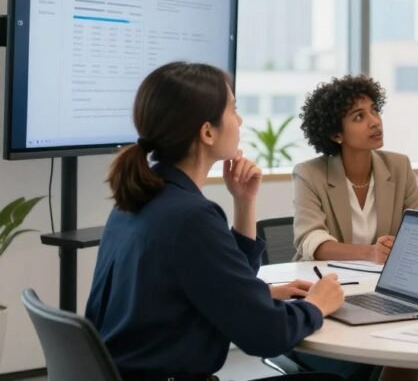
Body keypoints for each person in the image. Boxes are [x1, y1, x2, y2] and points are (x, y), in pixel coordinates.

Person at [85, 62, 345, 381]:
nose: (240, 120)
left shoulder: (140, 197)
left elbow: (221, 281)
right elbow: (267, 335)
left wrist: (244, 202)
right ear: (207, 131)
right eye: (233, 109)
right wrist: (317, 305)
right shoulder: (190, 217)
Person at [291, 75, 418, 381]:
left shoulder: (398, 166)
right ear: (336, 134)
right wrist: (371, 253)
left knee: (410, 343)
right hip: (328, 298)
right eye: (359, 117)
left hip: (385, 295)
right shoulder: (309, 173)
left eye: (374, 111)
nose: (374, 122)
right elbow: (312, 240)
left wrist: (405, 244)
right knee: (394, 349)